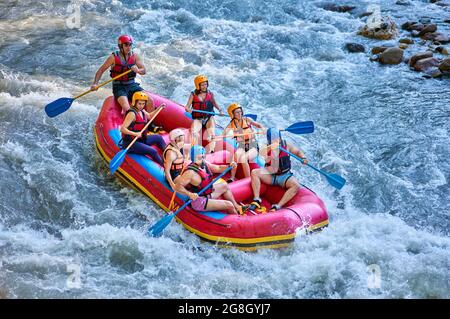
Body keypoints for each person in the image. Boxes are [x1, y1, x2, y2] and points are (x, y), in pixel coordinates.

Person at [248, 128, 308, 213]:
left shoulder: (286, 145)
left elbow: (297, 152)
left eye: (277, 138)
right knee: (254, 172)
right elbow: (261, 153)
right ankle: (256, 199)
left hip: (284, 176)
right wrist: (271, 148)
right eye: (273, 139)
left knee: (295, 185)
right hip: (270, 176)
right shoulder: (266, 147)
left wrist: (303, 157)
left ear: (280, 137)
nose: (276, 140)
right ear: (269, 140)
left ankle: (278, 206)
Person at [175, 146, 247, 215]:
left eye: (203, 156)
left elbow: (218, 168)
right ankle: (238, 219)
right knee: (229, 205)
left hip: (207, 193)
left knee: (224, 185)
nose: (202, 159)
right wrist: (189, 194)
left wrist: (230, 166)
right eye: (200, 157)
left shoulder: (204, 164)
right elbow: (177, 186)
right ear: (194, 158)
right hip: (199, 201)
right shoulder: (190, 173)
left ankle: (238, 208)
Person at [91, 35, 146, 113]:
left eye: (130, 44)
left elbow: (144, 71)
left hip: (132, 85)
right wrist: (95, 84)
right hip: (119, 87)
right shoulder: (113, 58)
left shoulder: (135, 56)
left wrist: (138, 70)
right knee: (127, 108)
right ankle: (129, 123)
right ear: (120, 46)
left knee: (148, 100)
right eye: (126, 45)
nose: (128, 47)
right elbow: (101, 70)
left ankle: (151, 122)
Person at [120, 92, 166, 165]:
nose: (141, 106)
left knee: (158, 137)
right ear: (134, 103)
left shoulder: (142, 111)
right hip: (131, 142)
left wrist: (159, 108)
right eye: (139, 104)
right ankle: (164, 166)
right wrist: (135, 133)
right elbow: (122, 129)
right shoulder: (132, 114)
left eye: (143, 104)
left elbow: (150, 116)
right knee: (153, 151)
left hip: (141, 139)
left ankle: (168, 154)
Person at [223, 103, 264, 183]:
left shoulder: (247, 119)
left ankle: (248, 180)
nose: (239, 114)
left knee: (243, 158)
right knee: (235, 156)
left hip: (253, 146)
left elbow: (258, 125)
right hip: (241, 146)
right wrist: (213, 137)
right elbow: (223, 134)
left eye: (240, 112)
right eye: (237, 112)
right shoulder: (231, 124)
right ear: (232, 114)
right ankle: (232, 177)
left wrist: (262, 128)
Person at [185, 75, 224, 154]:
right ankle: (194, 151)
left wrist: (220, 110)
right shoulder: (193, 95)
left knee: (212, 134)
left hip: (209, 118)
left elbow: (214, 103)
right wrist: (188, 109)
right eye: (202, 85)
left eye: (205, 84)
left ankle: (211, 152)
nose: (204, 86)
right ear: (198, 85)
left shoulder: (210, 93)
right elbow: (187, 106)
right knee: (194, 133)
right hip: (198, 118)